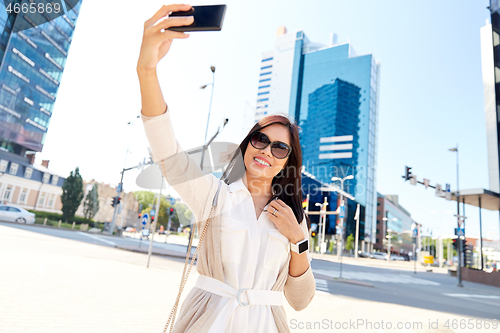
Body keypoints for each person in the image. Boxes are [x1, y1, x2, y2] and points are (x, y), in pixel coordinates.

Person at [137, 4, 315, 332]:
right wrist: (147, 70)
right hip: (208, 323)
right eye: (260, 139)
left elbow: (300, 300)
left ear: (288, 161)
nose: (267, 150)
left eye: (280, 147)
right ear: (247, 144)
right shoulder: (215, 196)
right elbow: (168, 155)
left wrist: (296, 240)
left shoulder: (294, 217)